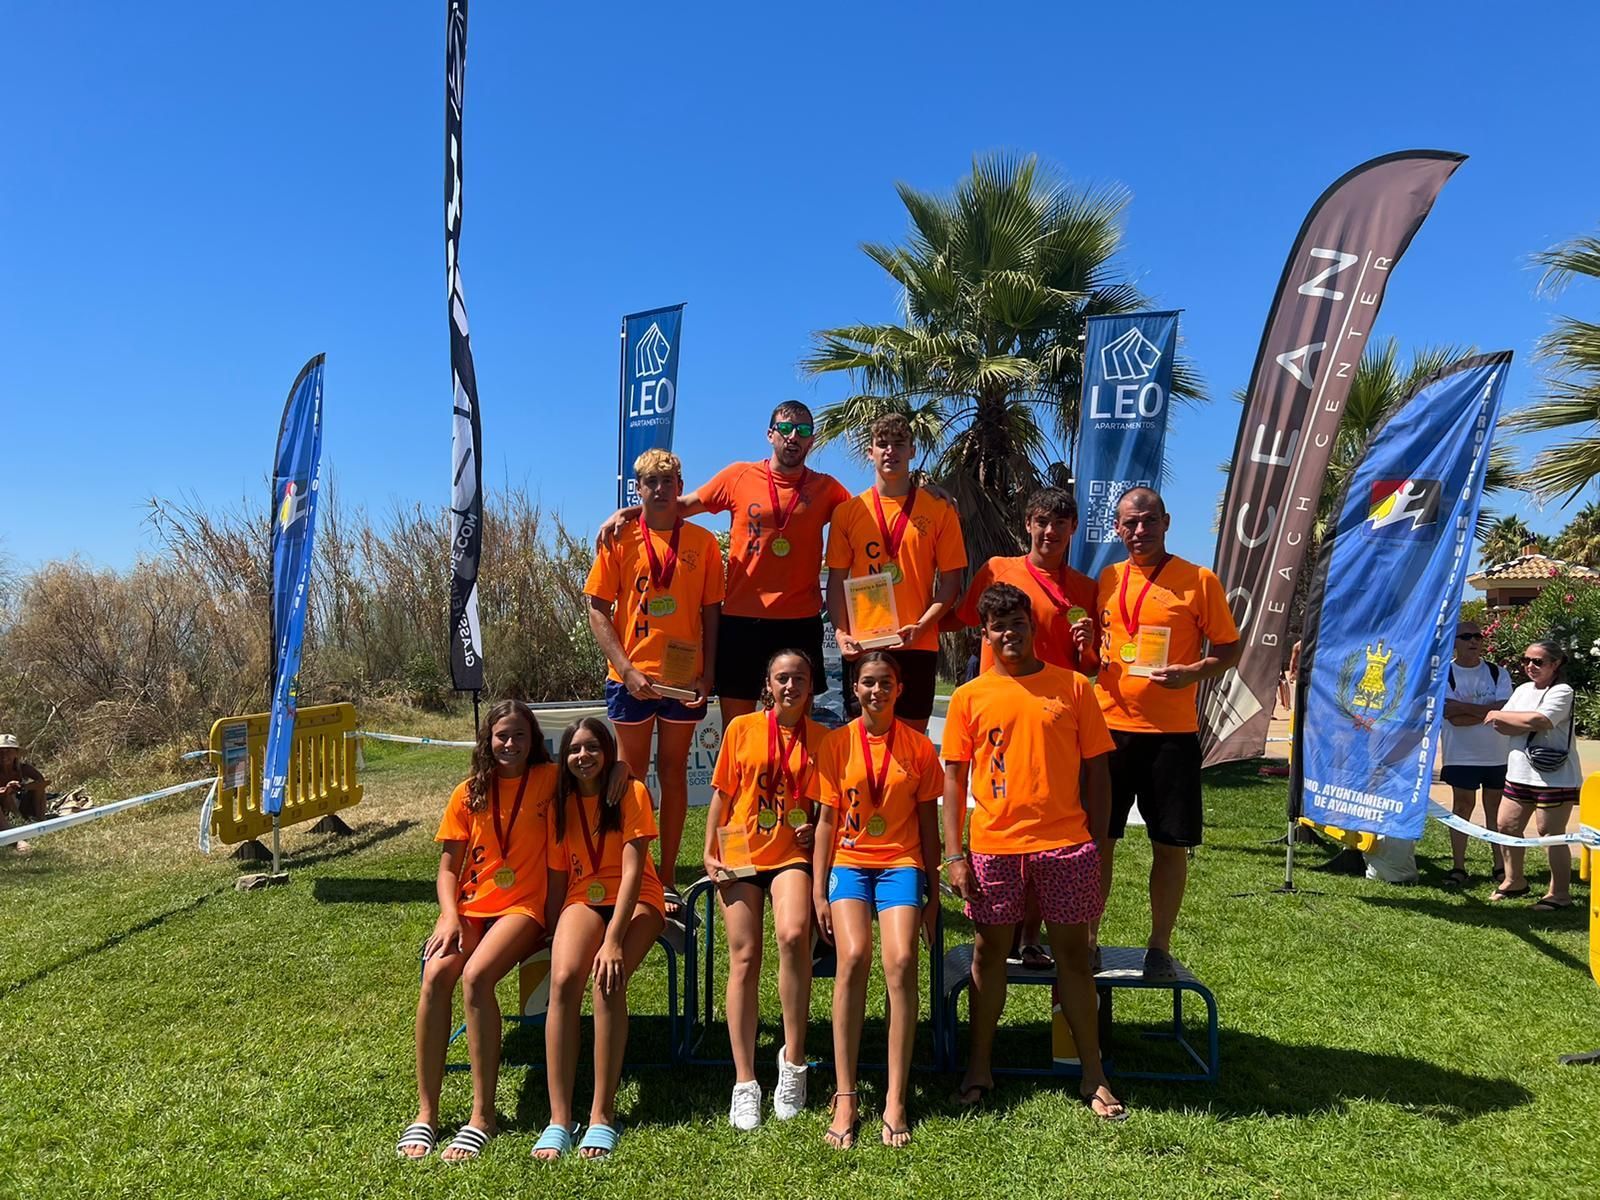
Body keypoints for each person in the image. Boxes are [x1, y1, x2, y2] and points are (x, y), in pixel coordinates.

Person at [940, 583, 1126, 1121]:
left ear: (1033, 626)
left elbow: (1098, 771)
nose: (1009, 634)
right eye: (998, 626)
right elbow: (954, 780)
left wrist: (1094, 838)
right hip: (994, 847)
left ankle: (1093, 1073)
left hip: (1064, 845)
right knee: (988, 955)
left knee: (1074, 959)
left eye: (1017, 623)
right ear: (985, 635)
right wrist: (955, 854)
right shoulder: (969, 697)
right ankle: (979, 1066)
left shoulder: (1073, 687)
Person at [599, 401, 852, 727]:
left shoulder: (827, 488)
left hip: (799, 622)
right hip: (741, 621)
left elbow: (863, 518)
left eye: (803, 430)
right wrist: (629, 512)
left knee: (796, 729)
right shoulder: (738, 476)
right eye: (785, 429)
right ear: (770, 434)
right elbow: (681, 505)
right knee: (738, 729)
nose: (793, 437)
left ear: (811, 440)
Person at [398, 701, 557, 1163]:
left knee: (477, 977)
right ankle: (427, 1113)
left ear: (533, 740)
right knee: (435, 976)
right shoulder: (468, 792)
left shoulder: (550, 780)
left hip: (524, 908)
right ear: (488, 739)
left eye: (520, 735)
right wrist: (449, 916)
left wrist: (620, 768)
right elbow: (448, 869)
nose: (510, 744)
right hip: (469, 908)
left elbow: (600, 769)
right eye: (502, 735)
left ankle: (482, 1116)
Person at [951, 485, 1101, 968]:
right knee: (1003, 815)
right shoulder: (998, 569)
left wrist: (1088, 646)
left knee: (1048, 824)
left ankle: (1032, 937)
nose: (1049, 531)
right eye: (1041, 521)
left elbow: (1091, 665)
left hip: (1055, 716)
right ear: (1028, 525)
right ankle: (1004, 932)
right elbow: (962, 618)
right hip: (998, 711)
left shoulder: (1085, 588)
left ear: (1072, 529)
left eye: (1059, 523)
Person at [1094, 487, 1240, 980]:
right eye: (1130, 523)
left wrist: (1192, 672)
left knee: (1170, 844)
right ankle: (1089, 939)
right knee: (1100, 841)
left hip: (1171, 735)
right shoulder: (1108, 578)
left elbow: (1230, 648)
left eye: (1149, 520)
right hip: (1108, 730)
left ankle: (1159, 946)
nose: (1140, 530)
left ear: (1167, 522)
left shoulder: (1199, 580)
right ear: (1118, 528)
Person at [586, 447, 724, 919]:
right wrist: (625, 668)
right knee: (630, 779)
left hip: (683, 680)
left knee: (674, 773)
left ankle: (665, 876)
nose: (660, 489)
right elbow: (597, 608)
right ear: (638, 489)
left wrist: (709, 672)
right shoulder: (618, 538)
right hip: (632, 678)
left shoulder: (703, 543)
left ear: (680, 487)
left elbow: (711, 611)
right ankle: (632, 873)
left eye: (668, 482)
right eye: (651, 482)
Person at [812, 651, 942, 1149]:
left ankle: (895, 1097)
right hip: (848, 863)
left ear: (899, 689)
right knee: (853, 957)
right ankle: (846, 1094)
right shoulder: (836, 743)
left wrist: (932, 895)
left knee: (901, 961)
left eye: (885, 682)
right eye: (868, 682)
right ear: (855, 688)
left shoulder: (918, 747)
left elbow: (928, 826)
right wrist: (820, 888)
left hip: (901, 865)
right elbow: (826, 821)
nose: (876, 691)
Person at [703, 649, 828, 1130]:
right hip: (739, 850)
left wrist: (814, 824)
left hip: (791, 852)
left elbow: (827, 807)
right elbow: (722, 794)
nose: (790, 686)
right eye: (782, 678)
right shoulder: (742, 728)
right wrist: (710, 851)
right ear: (768, 685)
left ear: (811, 685)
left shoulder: (824, 738)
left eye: (799, 678)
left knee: (794, 936)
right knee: (744, 956)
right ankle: (745, 1081)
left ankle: (793, 1061)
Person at [534, 717, 666, 1161]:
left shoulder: (631, 792)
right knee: (563, 980)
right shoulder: (561, 803)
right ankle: (559, 1119)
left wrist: (612, 941)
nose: (583, 756)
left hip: (637, 898)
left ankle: (601, 1115)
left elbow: (633, 872)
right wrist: (551, 928)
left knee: (607, 983)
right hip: (583, 897)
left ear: (608, 752)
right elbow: (557, 877)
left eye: (592, 747)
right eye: (574, 749)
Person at [825, 413, 967, 733]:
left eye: (899, 444)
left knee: (912, 745)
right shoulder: (848, 512)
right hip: (865, 645)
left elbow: (951, 583)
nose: (891, 451)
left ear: (912, 450)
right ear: (870, 452)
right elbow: (836, 581)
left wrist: (922, 626)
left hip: (917, 644)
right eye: (883, 444)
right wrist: (841, 633)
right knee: (864, 745)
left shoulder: (939, 509)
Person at [1485, 640, 1584, 911]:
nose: (1530, 666)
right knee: (1506, 827)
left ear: (1556, 664)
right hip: (1518, 773)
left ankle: (1559, 894)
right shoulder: (1522, 690)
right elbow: (1500, 725)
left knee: (1550, 835)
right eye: (1526, 660)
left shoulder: (1562, 691)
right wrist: (1516, 720)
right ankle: (1514, 880)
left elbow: (1542, 721)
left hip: (1554, 777)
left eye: (1538, 661)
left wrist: (1508, 717)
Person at [1439, 622, 1511, 885]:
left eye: (1478, 636)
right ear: (1454, 642)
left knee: (1495, 810)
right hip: (1460, 755)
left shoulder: (1497, 673)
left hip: (1497, 755)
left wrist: (1464, 708)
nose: (1474, 641)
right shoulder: (1444, 673)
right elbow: (1451, 715)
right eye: (1466, 636)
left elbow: (1504, 710)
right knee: (1462, 808)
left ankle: (1500, 866)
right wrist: (1488, 712)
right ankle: (1458, 867)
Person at [0, 734, 47, 854]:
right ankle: (15, 837)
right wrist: (5, 790)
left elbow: (43, 782)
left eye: (8, 751)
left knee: (39, 788)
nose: (4, 755)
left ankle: (40, 822)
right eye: (1, 752)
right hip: (3, 809)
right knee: (7, 796)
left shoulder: (24, 769)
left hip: (21, 805)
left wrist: (22, 787)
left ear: (16, 753)